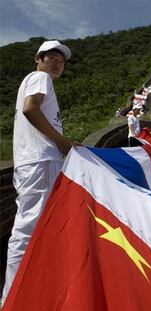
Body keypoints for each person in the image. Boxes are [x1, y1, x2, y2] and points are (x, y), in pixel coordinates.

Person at [2, 40, 79, 305]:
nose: (57, 63)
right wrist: (61, 142)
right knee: (29, 228)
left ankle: (21, 292)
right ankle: (14, 298)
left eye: (62, 60)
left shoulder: (34, 80)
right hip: (41, 161)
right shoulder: (39, 78)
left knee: (30, 225)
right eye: (52, 57)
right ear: (39, 58)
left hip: (31, 161)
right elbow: (29, 109)